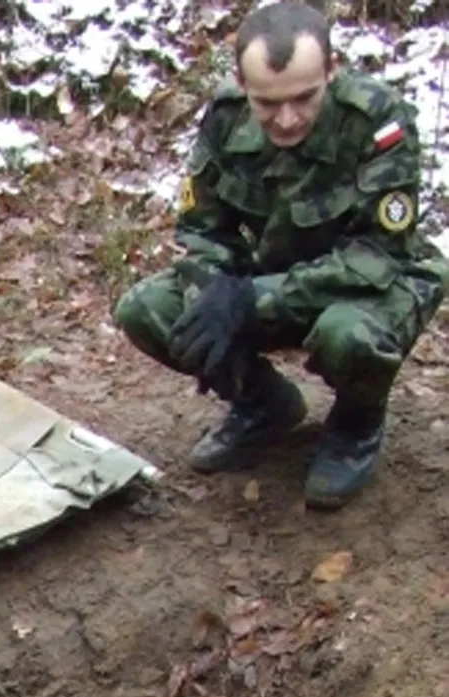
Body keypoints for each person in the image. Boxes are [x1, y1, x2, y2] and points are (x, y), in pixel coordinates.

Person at [112, 0, 448, 509]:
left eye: (304, 98)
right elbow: (204, 231)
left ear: (331, 71)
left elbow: (375, 255)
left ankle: (356, 424)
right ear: (242, 85)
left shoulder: (377, 121)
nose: (286, 119)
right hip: (274, 272)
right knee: (147, 309)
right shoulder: (226, 118)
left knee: (348, 336)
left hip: (373, 284)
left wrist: (250, 300)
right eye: (267, 104)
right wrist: (213, 294)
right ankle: (262, 405)